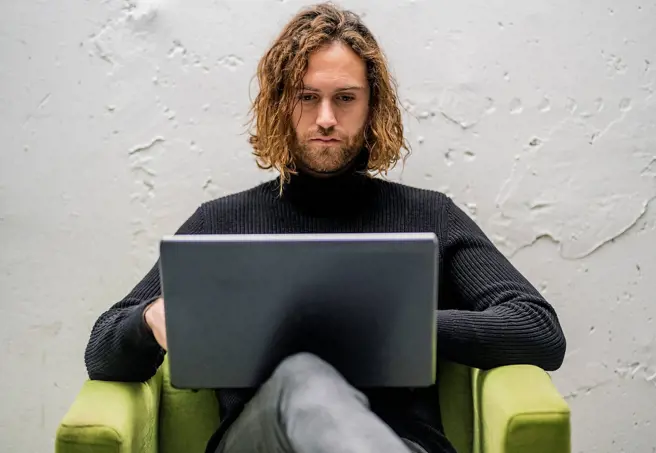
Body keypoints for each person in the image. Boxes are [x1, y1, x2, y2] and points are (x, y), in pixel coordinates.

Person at [84, 3, 567, 453]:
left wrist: (396, 327)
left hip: (401, 440)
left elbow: (539, 330)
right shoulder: (219, 223)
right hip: (262, 440)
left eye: (345, 98)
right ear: (280, 104)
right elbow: (101, 350)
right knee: (302, 375)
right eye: (307, 98)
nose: (326, 118)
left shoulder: (429, 215)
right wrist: (150, 319)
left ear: (372, 106)